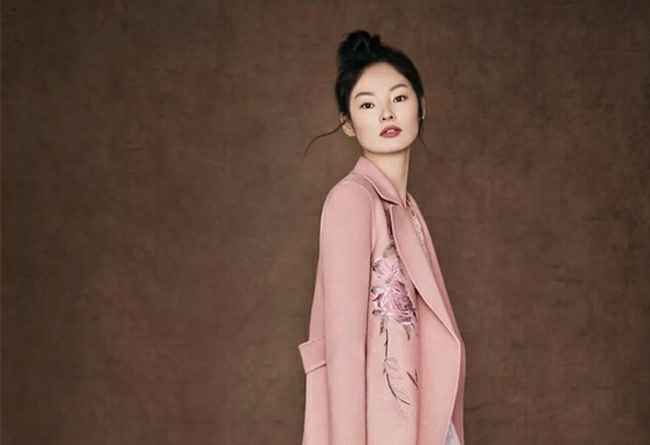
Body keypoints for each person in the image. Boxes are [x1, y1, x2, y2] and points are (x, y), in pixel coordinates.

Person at [298, 30, 466, 445]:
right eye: (368, 105)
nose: (386, 114)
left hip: (428, 425)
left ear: (422, 106)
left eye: (399, 98)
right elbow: (343, 352)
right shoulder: (352, 200)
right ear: (348, 124)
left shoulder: (407, 210)